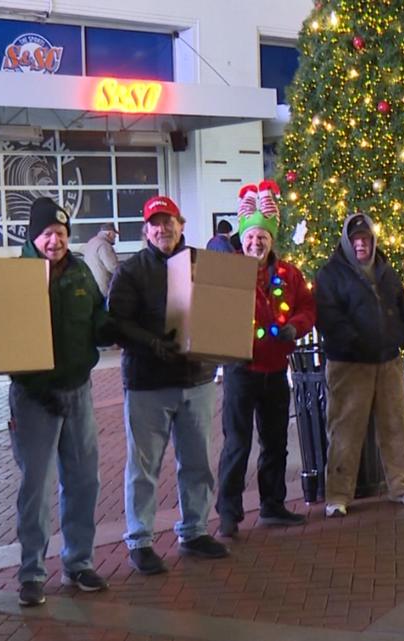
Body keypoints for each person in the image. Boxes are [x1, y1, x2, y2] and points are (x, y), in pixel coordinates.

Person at [109, 195, 227, 574]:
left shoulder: (202, 264)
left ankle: (193, 530)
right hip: (148, 383)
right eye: (155, 223)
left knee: (196, 462)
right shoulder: (130, 272)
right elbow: (117, 322)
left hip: (197, 379)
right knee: (144, 467)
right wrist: (150, 342)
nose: (163, 228)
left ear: (182, 223)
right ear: (146, 230)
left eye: (169, 221)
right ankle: (140, 539)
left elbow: (223, 307)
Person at [10, 198, 114, 606]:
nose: (55, 241)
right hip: (34, 397)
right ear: (33, 236)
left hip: (77, 392)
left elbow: (98, 320)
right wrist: (35, 385)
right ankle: (32, 572)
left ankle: (79, 563)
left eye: (61, 234)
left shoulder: (81, 272)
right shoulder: (16, 276)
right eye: (47, 234)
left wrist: (117, 326)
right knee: (35, 486)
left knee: (84, 479)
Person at [216, 182, 315, 538]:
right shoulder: (227, 273)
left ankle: (272, 504)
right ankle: (229, 512)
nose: (256, 243)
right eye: (251, 237)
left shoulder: (289, 274)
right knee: (237, 443)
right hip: (241, 370)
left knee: (275, 442)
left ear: (272, 240)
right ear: (242, 239)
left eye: (263, 238)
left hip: (275, 372)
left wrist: (296, 327)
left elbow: (307, 306)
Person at [314, 213, 404, 517]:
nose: (361, 244)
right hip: (349, 365)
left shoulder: (386, 272)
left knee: (397, 427)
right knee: (345, 432)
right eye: (356, 240)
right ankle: (338, 495)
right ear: (348, 243)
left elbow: (402, 311)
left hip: (388, 361)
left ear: (373, 240)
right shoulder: (331, 274)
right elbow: (328, 316)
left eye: (365, 239)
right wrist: (354, 341)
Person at [82, 222, 119, 294]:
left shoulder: (91, 241)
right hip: (103, 288)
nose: (115, 237)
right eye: (114, 234)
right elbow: (113, 267)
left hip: (91, 285)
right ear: (109, 233)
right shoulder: (104, 245)